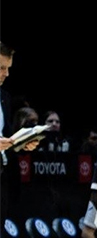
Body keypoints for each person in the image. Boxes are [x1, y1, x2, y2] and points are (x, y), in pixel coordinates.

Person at [0, 42, 39, 225]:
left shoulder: (4, 97)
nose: (6, 74)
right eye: (1, 67)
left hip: (3, 175)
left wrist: (22, 143)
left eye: (8, 68)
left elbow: (7, 136)